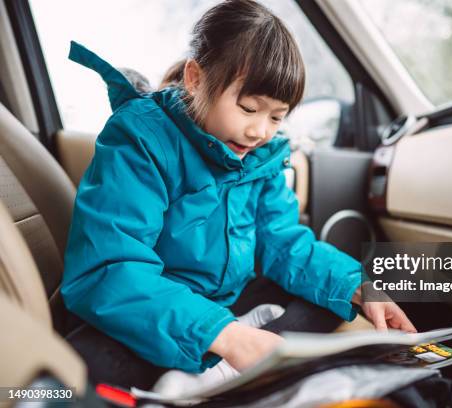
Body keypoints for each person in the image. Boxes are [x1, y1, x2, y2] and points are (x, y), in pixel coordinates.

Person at [61, 0, 416, 390]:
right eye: (249, 108)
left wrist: (358, 286)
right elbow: (110, 266)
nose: (260, 131)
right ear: (196, 78)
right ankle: (218, 359)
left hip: (231, 300)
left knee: (330, 298)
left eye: (277, 117)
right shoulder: (141, 141)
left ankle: (232, 357)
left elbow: (282, 241)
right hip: (157, 306)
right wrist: (223, 334)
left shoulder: (261, 156)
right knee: (82, 369)